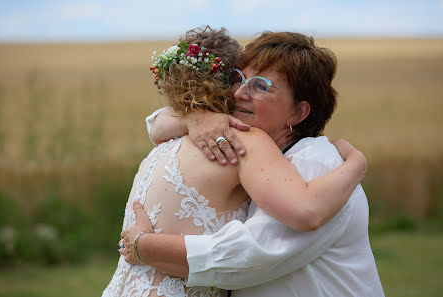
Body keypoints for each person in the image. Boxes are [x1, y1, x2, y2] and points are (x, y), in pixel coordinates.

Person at [120, 30, 384, 297]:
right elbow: (156, 122)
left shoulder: (316, 161)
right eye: (239, 78)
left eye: (260, 86)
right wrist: (193, 119)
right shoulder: (253, 152)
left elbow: (248, 256)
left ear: (299, 112)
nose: (239, 93)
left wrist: (145, 247)